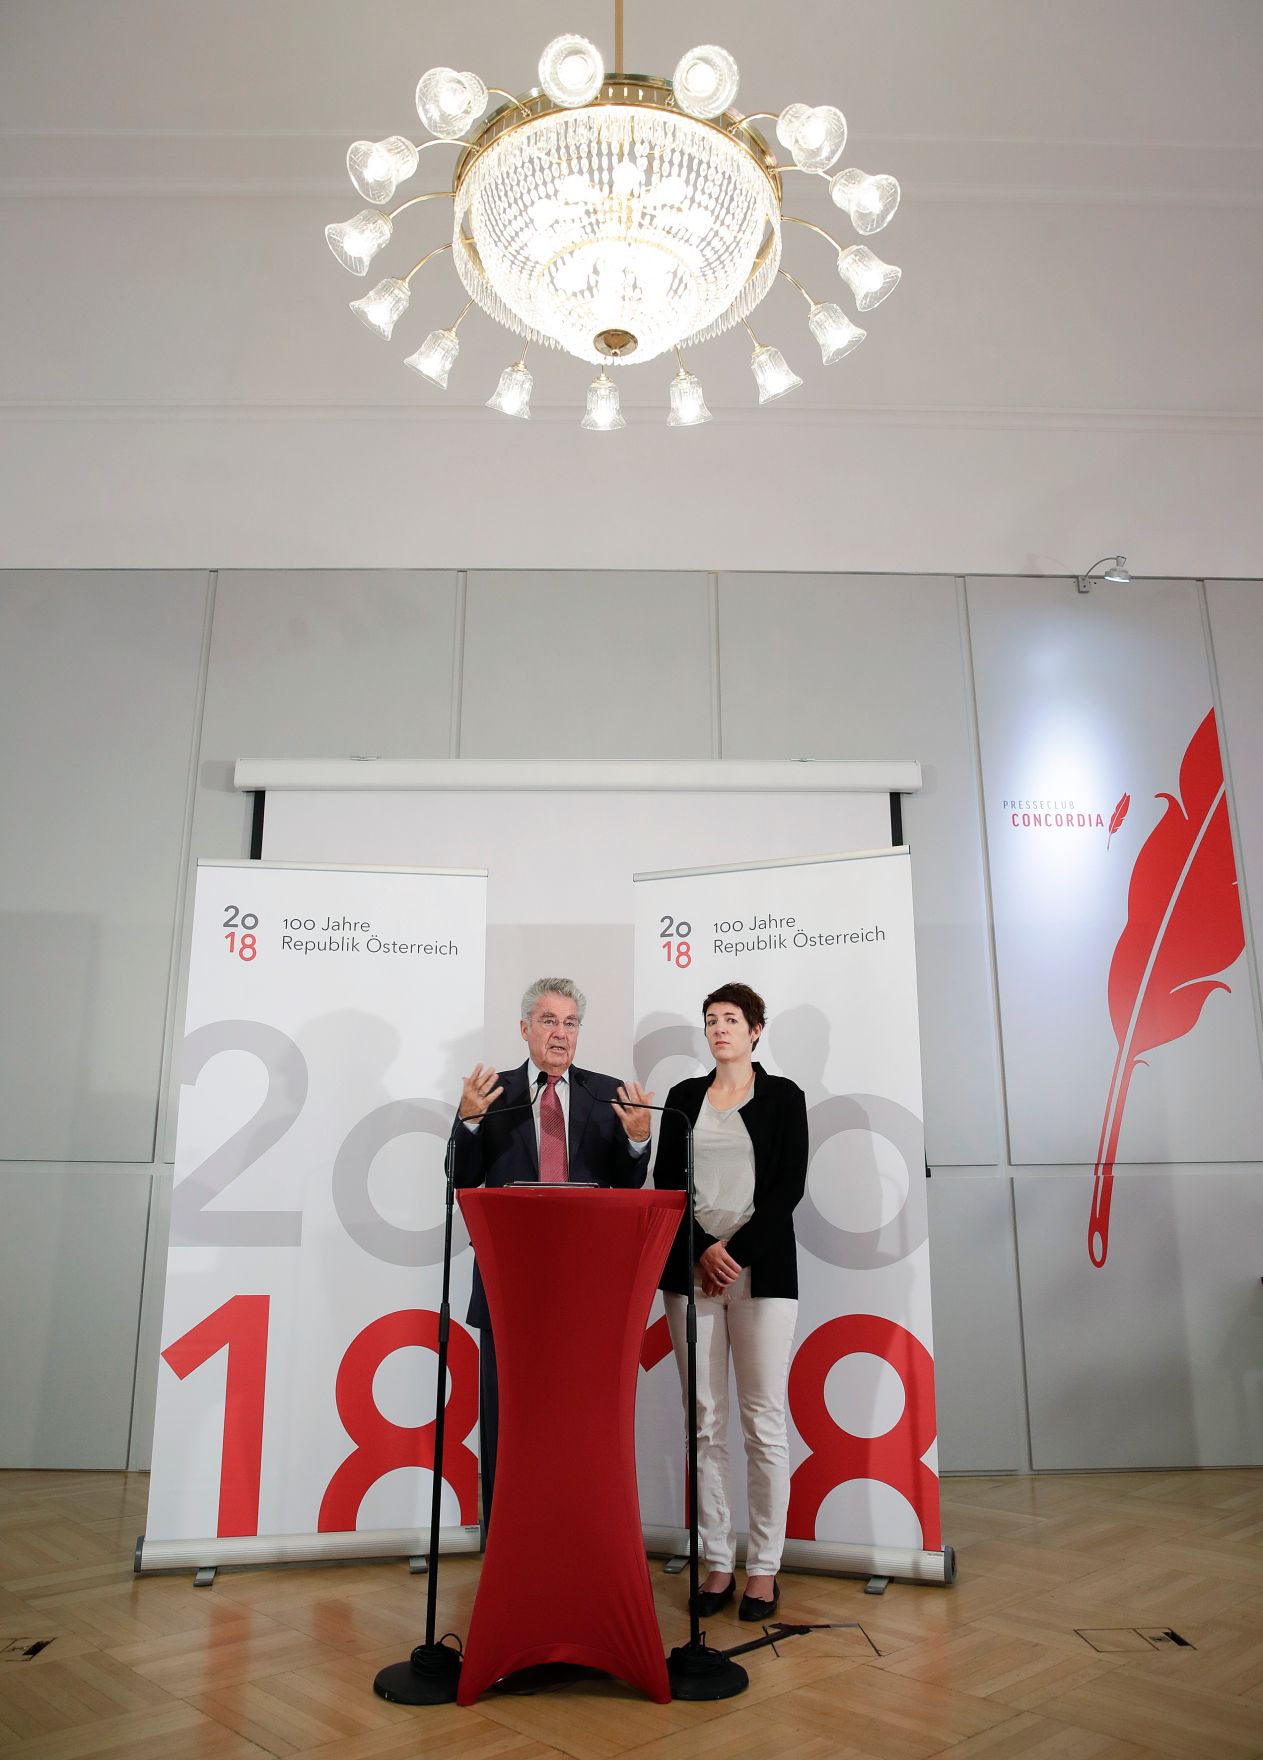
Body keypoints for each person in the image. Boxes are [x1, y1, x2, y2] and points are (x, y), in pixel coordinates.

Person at [454, 977, 653, 1531]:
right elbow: (460, 1180)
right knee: (509, 1418)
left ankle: (578, 1529)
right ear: (524, 1029)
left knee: (579, 1422)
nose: (560, 1034)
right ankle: (505, 1539)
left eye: (570, 1023)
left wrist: (639, 1140)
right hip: (508, 1285)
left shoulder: (604, 1092)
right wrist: (467, 1121)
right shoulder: (491, 1094)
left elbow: (627, 1188)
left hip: (584, 1290)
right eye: (548, 1021)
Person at [653, 982, 808, 1622]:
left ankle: (764, 1570)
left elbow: (786, 1189)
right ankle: (717, 1562)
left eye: (732, 1020)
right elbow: (667, 1183)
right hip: (690, 1274)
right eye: (711, 1020)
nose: (720, 1029)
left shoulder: (784, 1097)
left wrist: (733, 1252)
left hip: (760, 1271)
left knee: (763, 1424)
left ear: (756, 1031)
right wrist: (699, 1249)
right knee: (704, 1421)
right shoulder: (684, 1098)